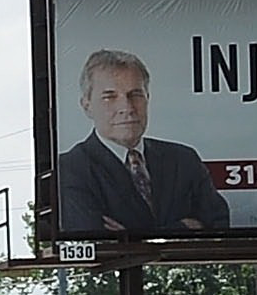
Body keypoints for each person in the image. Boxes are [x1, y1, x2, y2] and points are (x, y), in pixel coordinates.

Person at [55, 47, 228, 238]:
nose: (126, 107)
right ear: (87, 106)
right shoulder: (69, 169)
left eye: (135, 94)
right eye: (109, 97)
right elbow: (92, 236)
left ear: (148, 98)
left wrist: (130, 236)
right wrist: (183, 228)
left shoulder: (183, 159)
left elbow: (218, 223)